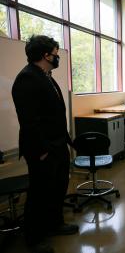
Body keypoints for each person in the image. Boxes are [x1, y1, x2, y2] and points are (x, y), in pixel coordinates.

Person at [12, 35, 78, 253]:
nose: (58, 57)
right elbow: (29, 121)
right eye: (56, 54)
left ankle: (55, 223)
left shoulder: (46, 75)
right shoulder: (27, 78)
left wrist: (65, 142)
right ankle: (34, 237)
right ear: (45, 55)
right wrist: (41, 151)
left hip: (58, 145)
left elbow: (55, 112)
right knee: (40, 193)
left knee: (58, 187)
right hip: (42, 149)